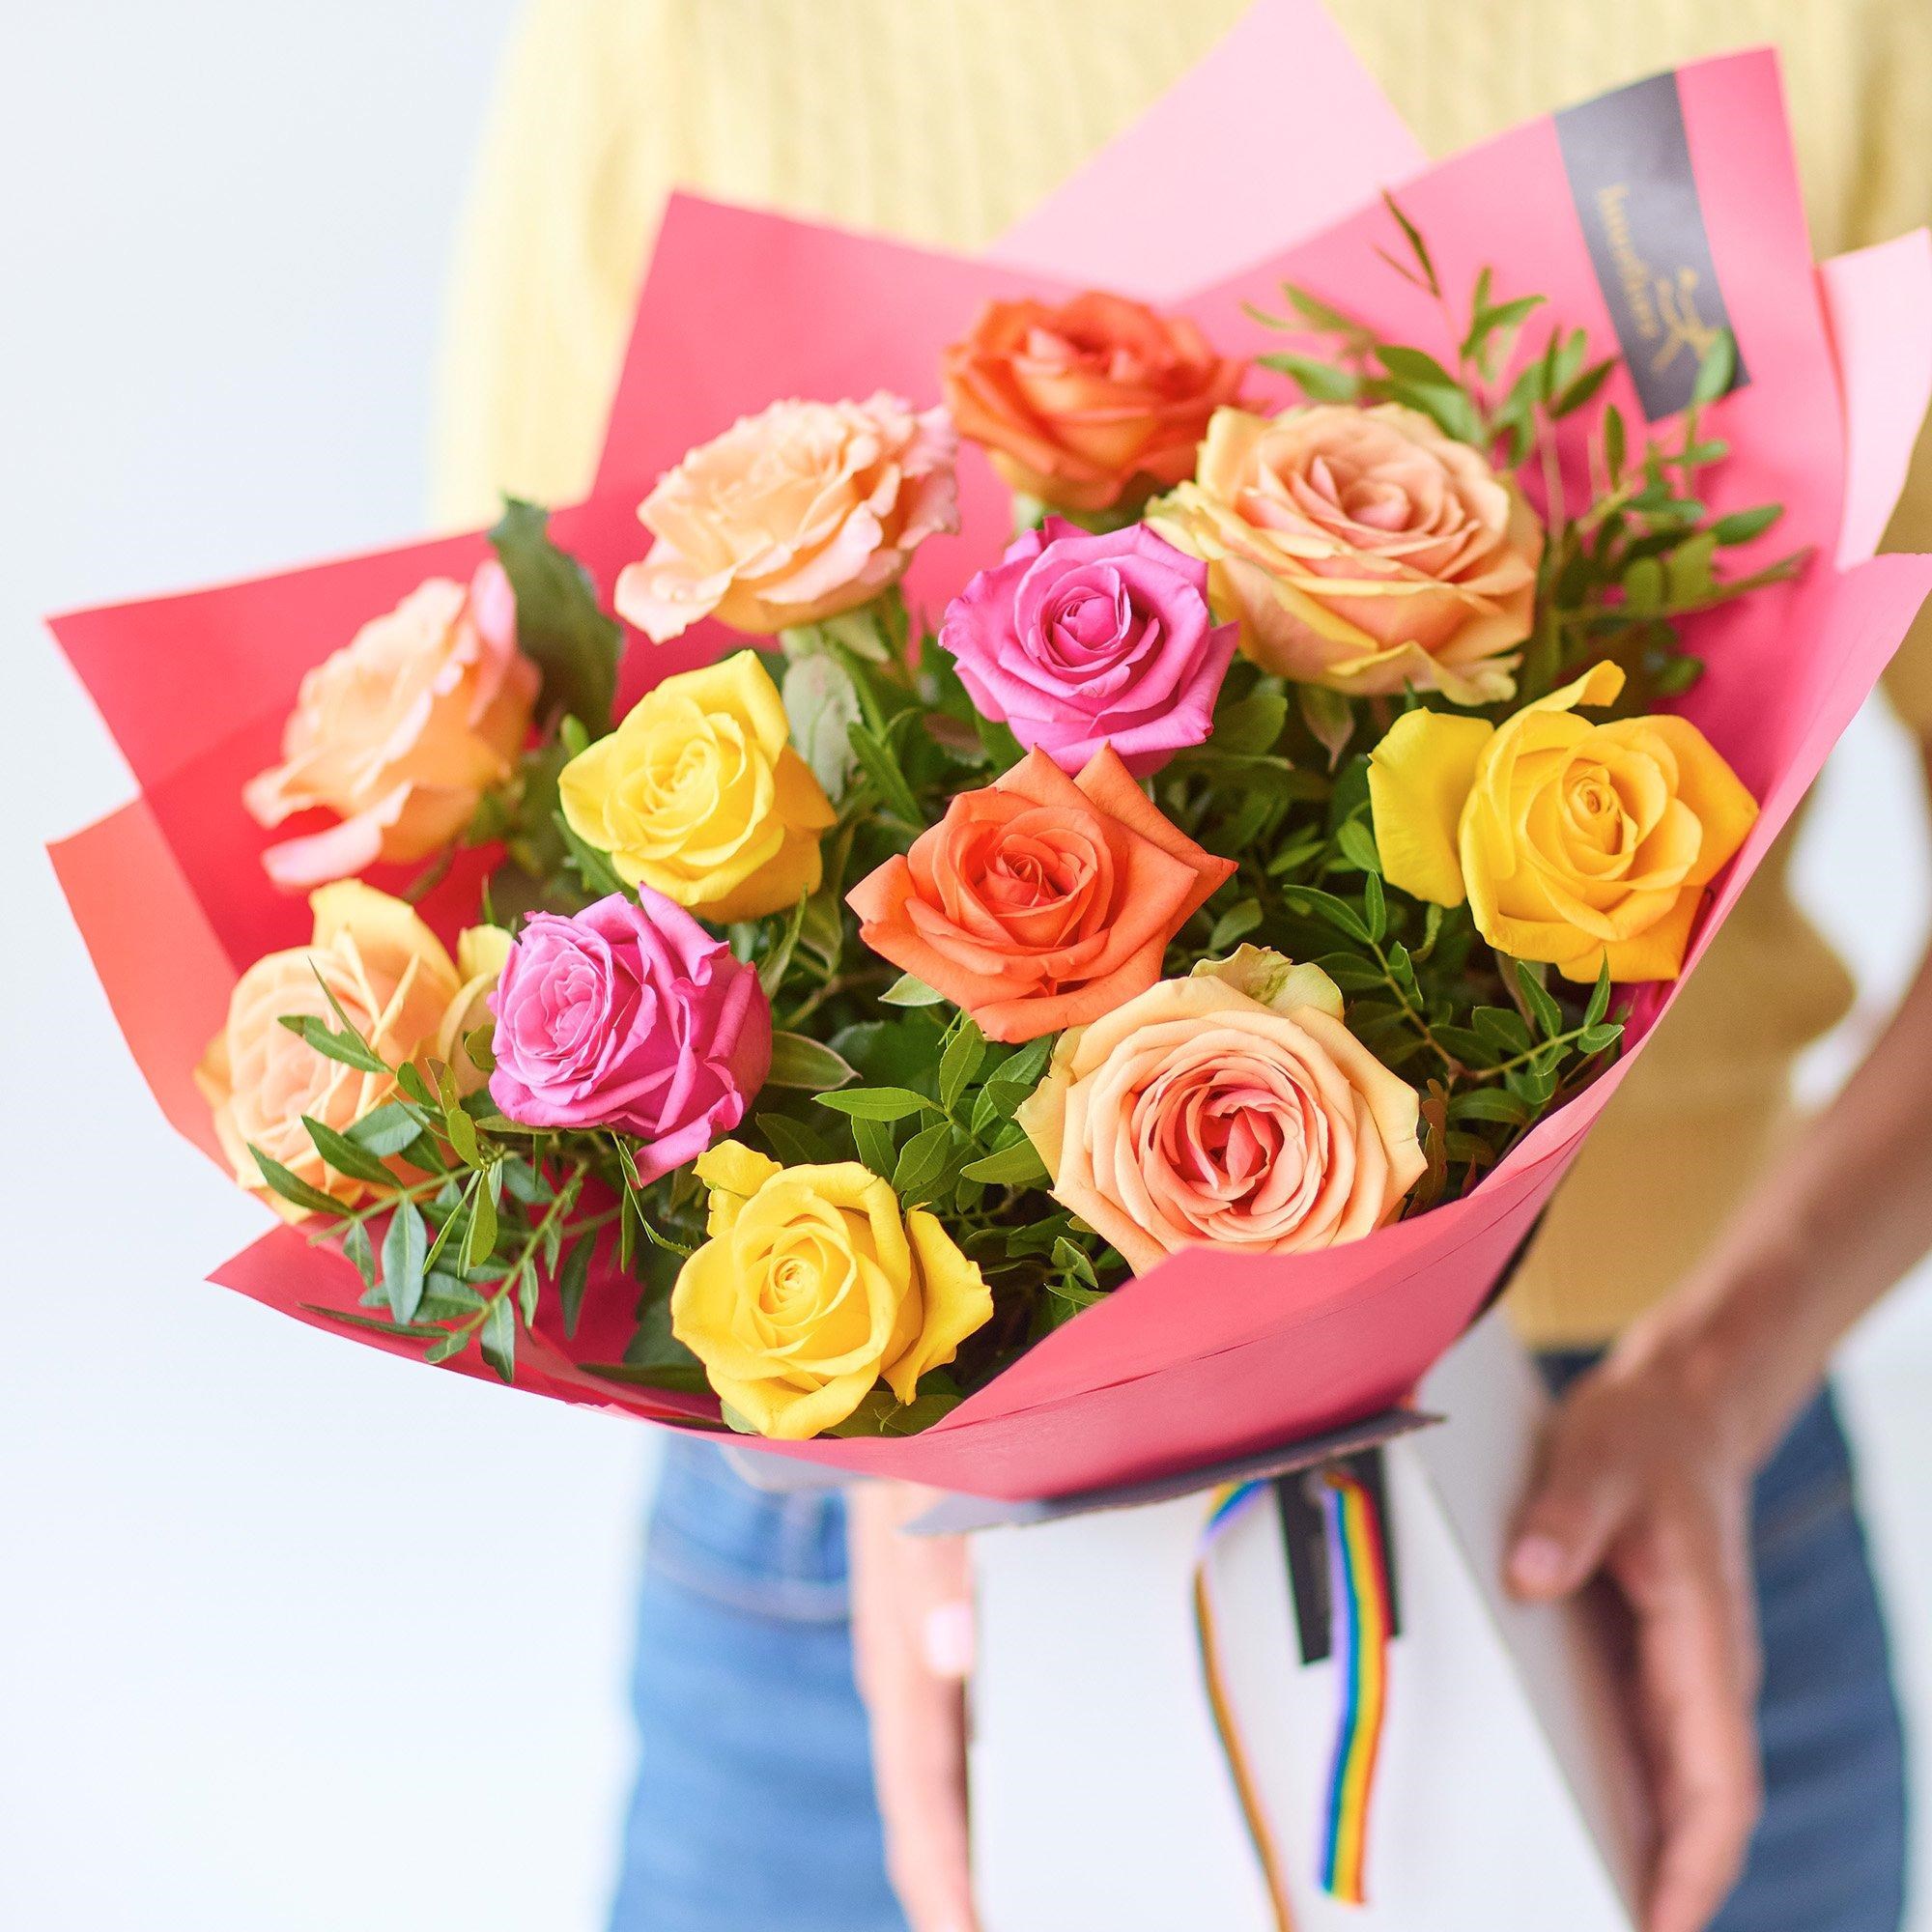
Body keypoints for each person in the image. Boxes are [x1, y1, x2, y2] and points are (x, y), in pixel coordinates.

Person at [434, 4, 1932, 1929]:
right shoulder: (672, 34)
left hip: (1643, 1479)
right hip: (886, 1568)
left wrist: (1725, 1365)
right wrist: (862, 1419)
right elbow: (526, 864)